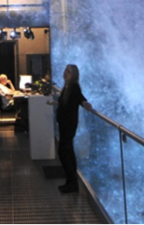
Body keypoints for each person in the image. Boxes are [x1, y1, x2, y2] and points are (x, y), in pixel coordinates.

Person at [51, 64, 93, 193]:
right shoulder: (67, 87)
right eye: (65, 70)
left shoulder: (73, 87)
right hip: (65, 124)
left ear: (73, 74)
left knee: (64, 153)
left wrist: (85, 103)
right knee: (68, 152)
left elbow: (79, 98)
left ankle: (72, 182)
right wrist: (57, 103)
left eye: (68, 71)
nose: (65, 73)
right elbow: (68, 103)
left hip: (68, 125)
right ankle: (71, 182)